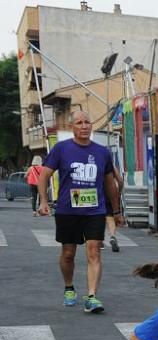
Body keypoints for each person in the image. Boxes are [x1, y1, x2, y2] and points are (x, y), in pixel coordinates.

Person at [36, 110, 124, 313]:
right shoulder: (61, 149)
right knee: (68, 253)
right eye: (79, 123)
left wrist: (117, 210)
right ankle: (69, 287)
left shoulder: (102, 152)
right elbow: (44, 175)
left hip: (95, 210)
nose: (84, 126)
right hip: (68, 210)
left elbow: (110, 183)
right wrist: (43, 201)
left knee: (94, 251)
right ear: (72, 127)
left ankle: (92, 296)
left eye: (87, 122)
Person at [104, 164, 125, 253]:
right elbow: (120, 180)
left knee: (97, 215)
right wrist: (119, 192)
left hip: (95, 191)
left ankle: (98, 239)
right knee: (110, 216)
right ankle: (113, 236)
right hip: (110, 191)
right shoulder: (109, 163)